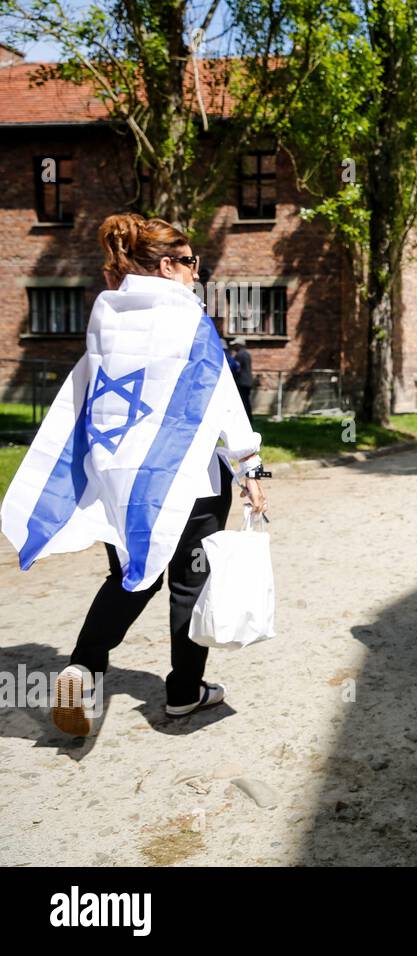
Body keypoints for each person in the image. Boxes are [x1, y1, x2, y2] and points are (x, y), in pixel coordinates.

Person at [0, 213, 269, 736]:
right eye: (192, 263)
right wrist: (249, 465)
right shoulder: (189, 320)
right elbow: (219, 399)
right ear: (168, 266)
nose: (198, 272)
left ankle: (83, 665)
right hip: (187, 479)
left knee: (129, 576)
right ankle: (185, 695)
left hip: (123, 480)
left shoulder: (107, 316)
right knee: (189, 586)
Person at [229, 337, 254, 418]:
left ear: (239, 345)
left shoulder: (240, 355)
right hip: (248, 380)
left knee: (243, 401)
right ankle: (249, 417)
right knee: (246, 400)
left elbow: (237, 368)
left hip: (241, 381)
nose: (234, 347)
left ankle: (245, 417)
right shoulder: (247, 354)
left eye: (235, 345)